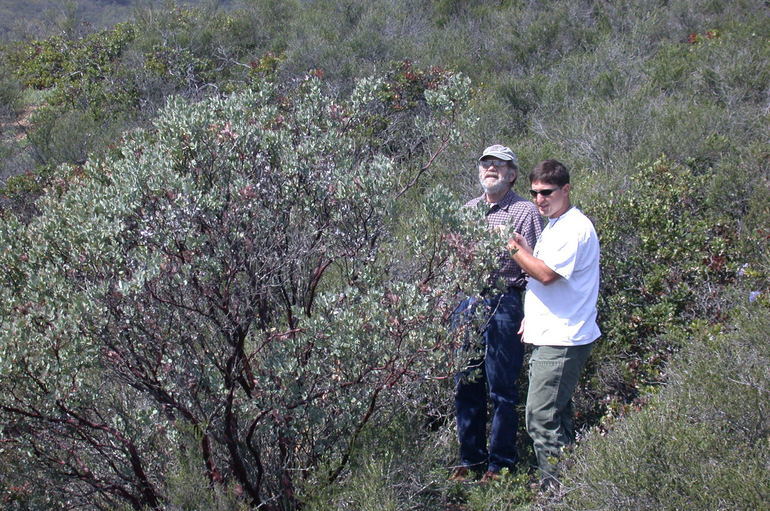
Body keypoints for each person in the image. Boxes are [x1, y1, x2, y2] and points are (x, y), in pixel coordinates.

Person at [450, 145, 542, 483]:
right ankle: (470, 459)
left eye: (499, 165)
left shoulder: (524, 211)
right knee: (466, 383)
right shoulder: (467, 210)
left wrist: (530, 313)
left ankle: (500, 464)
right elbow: (453, 259)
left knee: (502, 388)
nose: (491, 169)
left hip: (506, 302)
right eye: (486, 164)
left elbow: (534, 267)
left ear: (512, 173)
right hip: (467, 302)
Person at [506, 159, 600, 488]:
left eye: (546, 192)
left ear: (566, 190)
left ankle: (555, 490)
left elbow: (545, 275)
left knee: (540, 417)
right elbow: (547, 269)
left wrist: (513, 249)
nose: (539, 200)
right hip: (553, 333)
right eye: (533, 193)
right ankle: (570, 483)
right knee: (557, 415)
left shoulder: (575, 228)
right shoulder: (556, 226)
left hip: (564, 339)